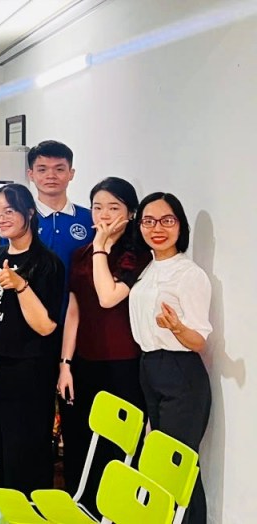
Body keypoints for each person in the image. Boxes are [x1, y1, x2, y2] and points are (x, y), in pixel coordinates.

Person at [56, 177, 151, 513]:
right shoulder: (79, 255)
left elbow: (107, 297)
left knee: (117, 444)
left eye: (114, 208)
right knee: (79, 439)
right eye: (97, 208)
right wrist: (65, 365)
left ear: (131, 213)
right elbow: (74, 311)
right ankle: (80, 510)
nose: (104, 215)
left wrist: (100, 247)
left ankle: (116, 512)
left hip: (123, 364)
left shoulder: (137, 255)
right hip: (83, 362)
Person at [0, 183, 64, 494]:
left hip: (29, 371)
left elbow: (46, 327)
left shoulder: (47, 263)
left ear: (29, 212)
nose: (1, 218)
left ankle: (27, 511)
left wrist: (21, 285)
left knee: (25, 452)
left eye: (9, 210)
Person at [129, 192, 211, 524]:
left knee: (179, 466)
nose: (157, 228)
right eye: (148, 221)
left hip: (180, 372)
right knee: (164, 465)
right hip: (150, 366)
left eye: (167, 220)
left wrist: (177, 327)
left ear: (180, 225)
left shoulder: (189, 274)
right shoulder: (149, 267)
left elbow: (199, 341)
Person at [24, 140, 94, 280]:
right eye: (42, 170)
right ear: (31, 174)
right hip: (28, 294)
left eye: (59, 169)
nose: (51, 176)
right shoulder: (20, 219)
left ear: (71, 174)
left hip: (79, 294)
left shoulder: (90, 218)